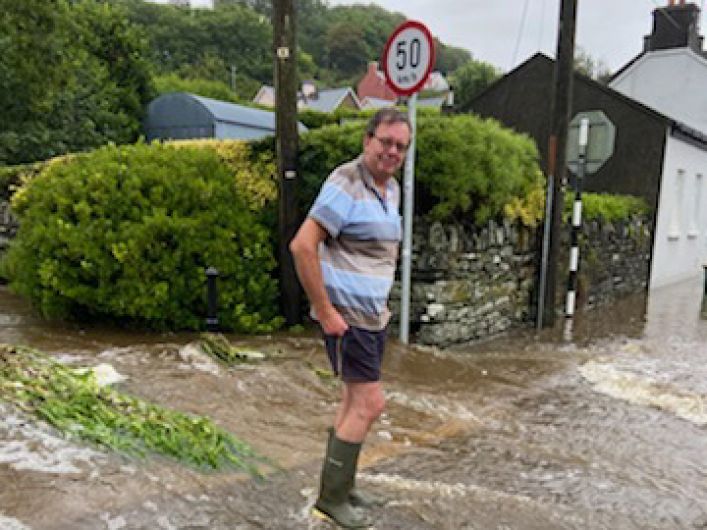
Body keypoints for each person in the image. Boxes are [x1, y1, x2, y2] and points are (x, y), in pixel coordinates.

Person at [289, 108, 411, 528]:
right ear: (367, 141)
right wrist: (325, 312)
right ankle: (332, 500)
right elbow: (303, 246)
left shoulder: (390, 189)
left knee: (351, 402)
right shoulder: (346, 182)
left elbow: (377, 254)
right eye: (385, 142)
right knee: (370, 403)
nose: (392, 151)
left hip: (371, 318)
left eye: (400, 146)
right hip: (348, 321)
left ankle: (343, 487)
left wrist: (382, 303)